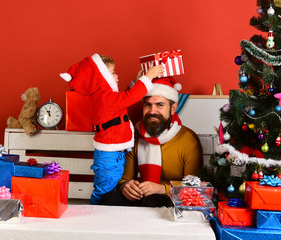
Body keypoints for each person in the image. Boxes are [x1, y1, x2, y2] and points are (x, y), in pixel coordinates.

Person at [60, 53, 164, 205]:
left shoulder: (106, 97)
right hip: (109, 156)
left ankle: (98, 215)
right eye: (113, 72)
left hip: (112, 154)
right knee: (103, 192)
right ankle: (93, 215)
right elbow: (129, 97)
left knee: (108, 189)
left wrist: (138, 81)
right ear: (102, 78)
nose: (117, 75)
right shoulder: (105, 98)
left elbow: (124, 98)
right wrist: (148, 77)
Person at [100, 76, 203, 207]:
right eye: (148, 105)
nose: (152, 111)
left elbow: (195, 186)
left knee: (155, 199)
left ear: (173, 108)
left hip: (172, 200)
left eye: (160, 105)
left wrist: (162, 189)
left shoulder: (188, 140)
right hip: (141, 196)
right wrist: (126, 186)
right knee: (110, 198)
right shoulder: (136, 135)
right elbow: (125, 179)